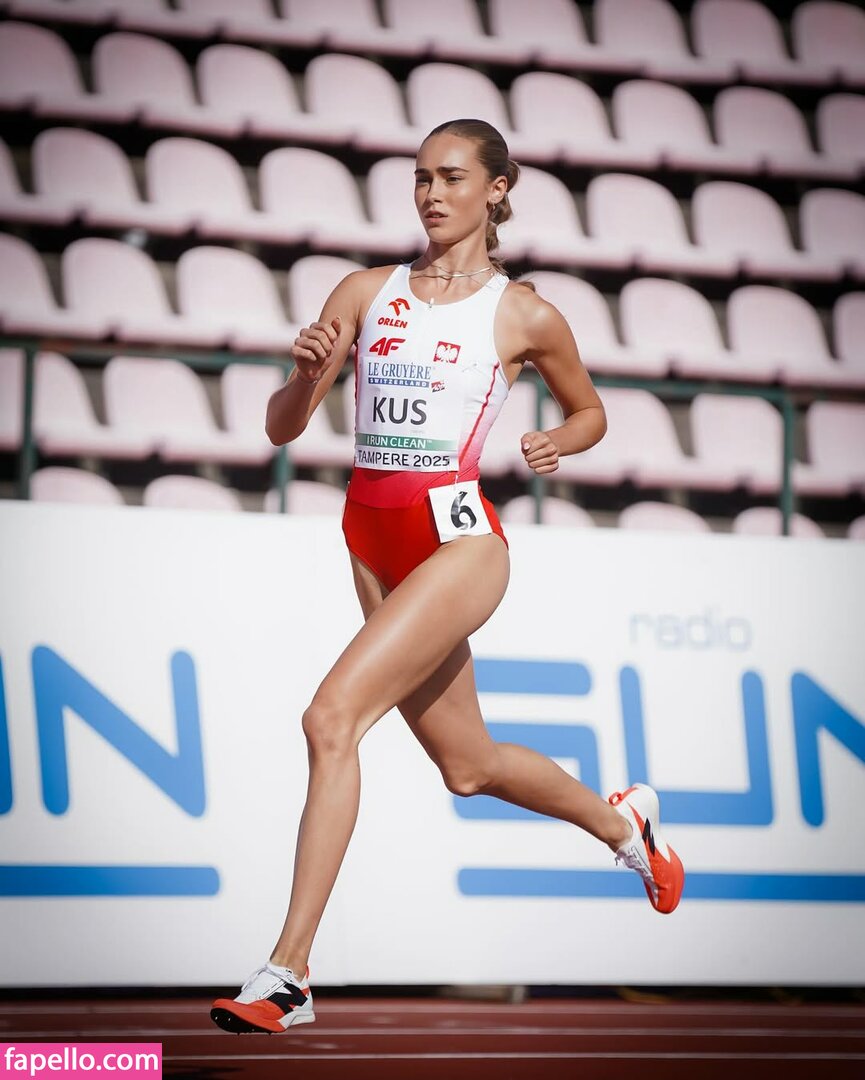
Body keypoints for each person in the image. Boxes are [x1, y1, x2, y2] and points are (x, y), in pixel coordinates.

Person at [210, 118, 684, 1035]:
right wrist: (303, 379)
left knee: (330, 718)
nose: (431, 194)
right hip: (369, 536)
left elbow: (590, 410)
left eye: (452, 178)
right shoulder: (363, 291)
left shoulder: (523, 312)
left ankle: (288, 973)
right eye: (421, 178)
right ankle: (625, 825)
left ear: (497, 189)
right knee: (466, 767)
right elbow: (279, 428)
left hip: (458, 542)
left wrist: (557, 438)